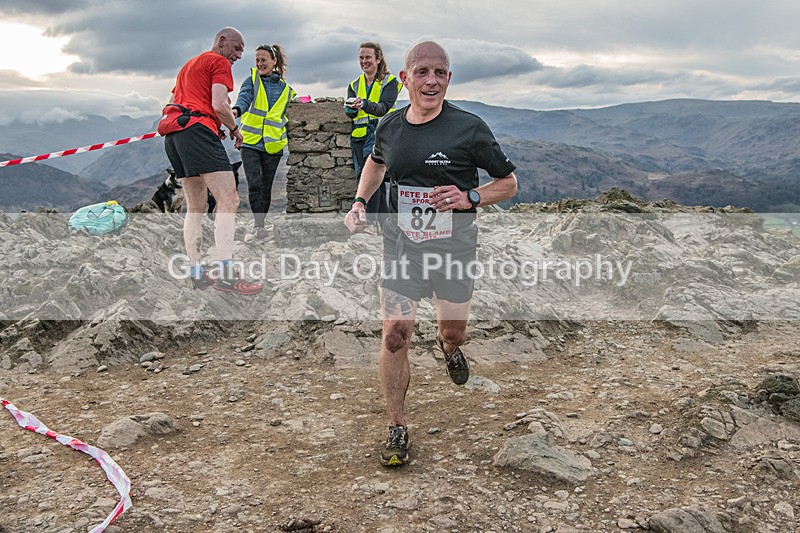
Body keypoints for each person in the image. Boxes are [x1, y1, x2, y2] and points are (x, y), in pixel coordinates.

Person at [344, 41, 518, 467]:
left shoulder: (469, 129)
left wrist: (469, 196)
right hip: (401, 245)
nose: (431, 81)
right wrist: (360, 201)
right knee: (395, 334)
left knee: (454, 331)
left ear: (449, 79)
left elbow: (509, 183)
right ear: (405, 78)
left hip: (454, 246)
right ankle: (396, 426)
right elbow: (376, 162)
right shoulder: (389, 126)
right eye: (422, 72)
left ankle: (449, 347)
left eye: (440, 73)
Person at [158, 27, 263, 295]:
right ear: (222, 41)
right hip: (197, 133)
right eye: (237, 48)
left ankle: (197, 273)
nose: (239, 55)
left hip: (174, 135)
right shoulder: (218, 62)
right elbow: (219, 105)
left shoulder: (188, 66)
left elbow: (172, 102)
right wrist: (234, 130)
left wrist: (211, 122)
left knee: (196, 206)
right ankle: (227, 275)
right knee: (229, 200)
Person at [232, 44, 295, 240]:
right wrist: (236, 111)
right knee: (254, 184)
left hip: (273, 144)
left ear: (274, 61)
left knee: (266, 186)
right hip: (249, 142)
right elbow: (244, 98)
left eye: (263, 60)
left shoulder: (286, 90)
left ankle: (261, 224)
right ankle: (259, 226)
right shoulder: (251, 80)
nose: (259, 64)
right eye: (257, 60)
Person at [344, 42, 402, 228]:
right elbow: (351, 114)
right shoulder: (354, 84)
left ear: (378, 59)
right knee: (374, 181)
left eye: (368, 57)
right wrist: (350, 109)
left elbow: (383, 107)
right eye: (361, 58)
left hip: (381, 135)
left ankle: (369, 222)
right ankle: (384, 224)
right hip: (359, 137)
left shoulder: (390, 82)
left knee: (372, 179)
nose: (364, 61)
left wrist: (364, 104)